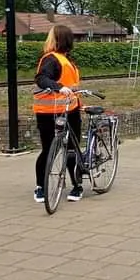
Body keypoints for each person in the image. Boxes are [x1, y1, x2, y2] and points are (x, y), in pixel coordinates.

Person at [31, 24, 86, 203]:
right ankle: (42, 186)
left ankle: (76, 185)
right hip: (49, 111)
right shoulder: (51, 59)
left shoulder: (67, 60)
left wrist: (80, 104)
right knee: (52, 149)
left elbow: (73, 87)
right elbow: (41, 78)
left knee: (70, 149)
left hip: (70, 109)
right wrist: (58, 87)